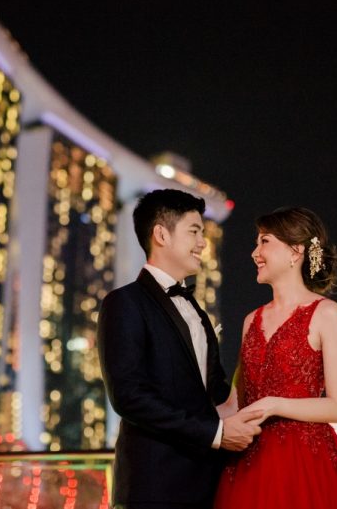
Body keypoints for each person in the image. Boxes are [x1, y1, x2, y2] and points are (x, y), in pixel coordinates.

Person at [97, 189, 263, 509]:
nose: (203, 242)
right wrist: (215, 434)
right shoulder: (124, 303)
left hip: (208, 484)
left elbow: (214, 394)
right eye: (194, 231)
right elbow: (129, 397)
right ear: (161, 234)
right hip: (155, 486)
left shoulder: (197, 311)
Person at [213, 206, 337, 508]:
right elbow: (235, 403)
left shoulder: (327, 314)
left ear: (296, 252)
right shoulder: (250, 321)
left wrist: (273, 404)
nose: (255, 253)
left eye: (264, 242)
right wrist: (180, 420)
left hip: (305, 464)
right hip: (248, 462)